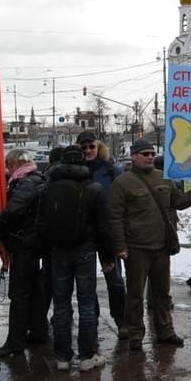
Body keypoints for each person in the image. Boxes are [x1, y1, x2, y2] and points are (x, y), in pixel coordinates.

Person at [108, 139, 191, 352]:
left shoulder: (163, 177)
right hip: (136, 248)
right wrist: (120, 246)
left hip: (161, 247)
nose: (150, 156)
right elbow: (114, 217)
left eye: (152, 153)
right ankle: (135, 334)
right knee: (135, 294)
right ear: (133, 156)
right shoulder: (122, 182)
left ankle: (166, 331)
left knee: (162, 292)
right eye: (145, 153)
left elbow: (178, 201)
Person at [37, 145, 114, 372]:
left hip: (58, 252)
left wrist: (45, 253)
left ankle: (62, 358)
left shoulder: (48, 188)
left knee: (61, 305)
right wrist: (107, 256)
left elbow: (41, 224)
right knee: (87, 303)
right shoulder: (94, 188)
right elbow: (104, 228)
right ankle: (87, 357)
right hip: (85, 251)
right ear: (82, 162)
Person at [0, 149, 49, 359]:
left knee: (19, 294)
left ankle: (15, 342)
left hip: (25, 244)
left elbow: (13, 212)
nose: (7, 170)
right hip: (33, 242)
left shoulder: (26, 182)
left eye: (8, 165)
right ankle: (39, 332)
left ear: (16, 164)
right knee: (35, 291)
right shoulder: (35, 179)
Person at [77, 131, 127, 339]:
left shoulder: (112, 171)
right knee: (86, 283)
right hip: (84, 235)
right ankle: (92, 320)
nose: (88, 151)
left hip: (109, 233)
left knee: (115, 280)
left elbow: (124, 199)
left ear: (98, 148)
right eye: (84, 147)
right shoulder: (75, 171)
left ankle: (121, 320)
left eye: (91, 147)